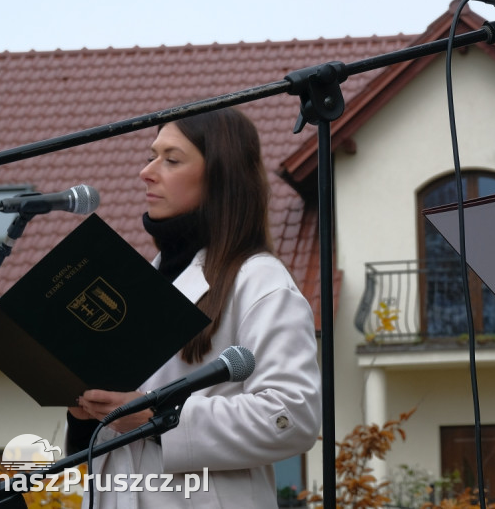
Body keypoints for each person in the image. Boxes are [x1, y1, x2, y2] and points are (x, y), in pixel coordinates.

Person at [66, 108, 322, 508]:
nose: (146, 172)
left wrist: (156, 418)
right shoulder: (139, 282)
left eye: (171, 159)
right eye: (151, 156)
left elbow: (293, 417)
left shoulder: (261, 282)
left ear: (221, 177)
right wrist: (87, 414)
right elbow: (124, 430)